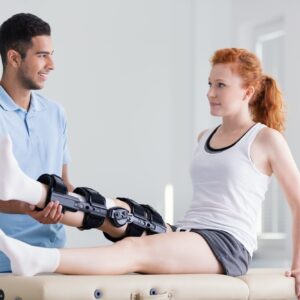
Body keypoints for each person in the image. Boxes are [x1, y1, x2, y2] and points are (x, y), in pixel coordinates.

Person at [0, 48, 299, 297]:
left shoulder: (265, 139)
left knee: (135, 249)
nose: (210, 93)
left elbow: (298, 202)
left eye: (221, 85)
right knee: (111, 210)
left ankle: (39, 259)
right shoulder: (204, 136)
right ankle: (24, 188)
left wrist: (299, 263)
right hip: (187, 233)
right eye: (209, 84)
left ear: (247, 91)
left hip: (227, 245)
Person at [0, 13, 72, 273]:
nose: (51, 64)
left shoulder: (55, 114)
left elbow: (65, 182)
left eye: (51, 54)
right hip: (5, 260)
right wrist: (23, 208)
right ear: (14, 58)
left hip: (53, 256)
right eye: (42, 55)